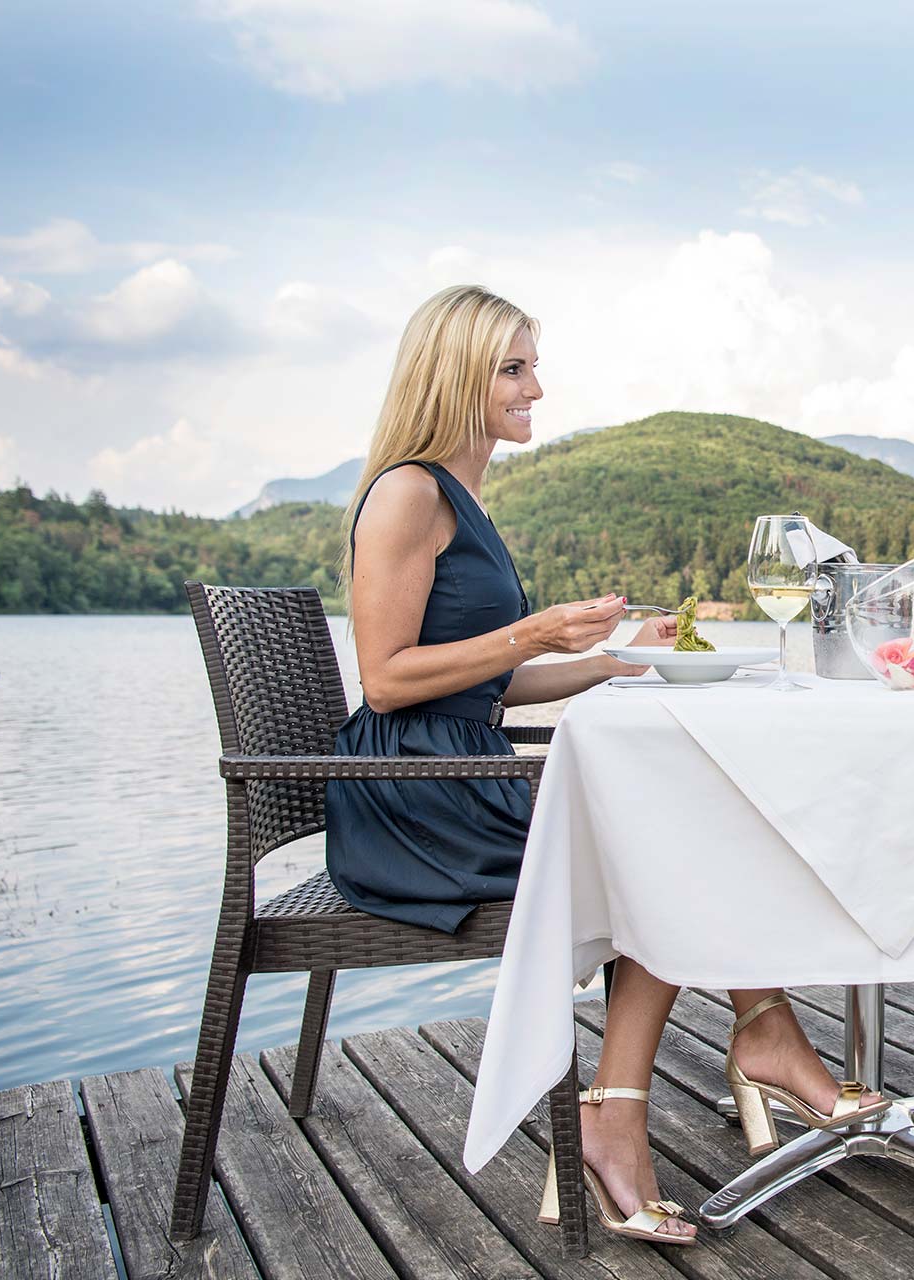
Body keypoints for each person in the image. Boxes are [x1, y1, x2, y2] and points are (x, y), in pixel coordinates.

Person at [331, 285, 883, 1246]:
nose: (536, 389)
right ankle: (724, 1059)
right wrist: (533, 630)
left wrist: (610, 662)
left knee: (684, 824)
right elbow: (385, 682)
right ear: (454, 374)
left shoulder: (461, 499)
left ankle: (715, 1060)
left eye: (531, 366)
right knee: (660, 850)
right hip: (412, 800)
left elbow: (481, 685)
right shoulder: (407, 492)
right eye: (513, 369)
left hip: (459, 766)